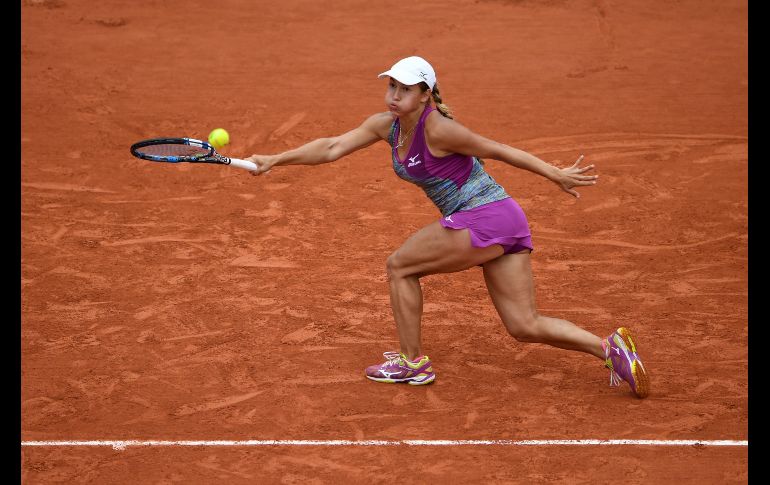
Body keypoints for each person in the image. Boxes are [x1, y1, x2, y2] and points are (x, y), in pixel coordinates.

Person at [246, 56, 649, 398]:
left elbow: (499, 149)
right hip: (502, 220)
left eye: (405, 89)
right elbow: (332, 146)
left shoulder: (439, 129)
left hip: (485, 217)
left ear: (425, 94)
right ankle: (609, 348)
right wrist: (276, 159)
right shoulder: (387, 126)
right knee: (524, 325)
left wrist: (554, 173)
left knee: (400, 266)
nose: (394, 95)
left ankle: (412, 364)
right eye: (391, 86)